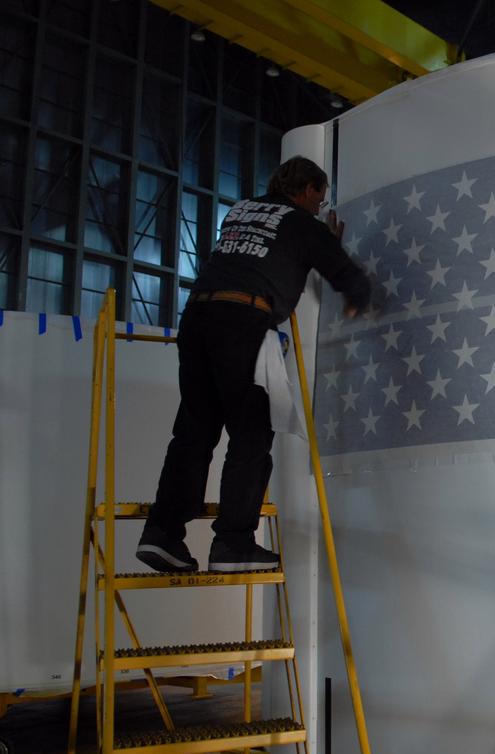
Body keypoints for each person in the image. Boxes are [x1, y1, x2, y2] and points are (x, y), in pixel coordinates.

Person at [136, 156, 371, 574]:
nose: (320, 204)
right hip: (242, 323)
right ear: (308, 190)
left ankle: (162, 534)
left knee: (193, 432)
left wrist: (317, 239)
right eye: (320, 196)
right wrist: (356, 290)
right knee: (251, 434)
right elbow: (341, 270)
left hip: (197, 320)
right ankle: (233, 543)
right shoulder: (302, 222)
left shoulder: (241, 210)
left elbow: (255, 255)